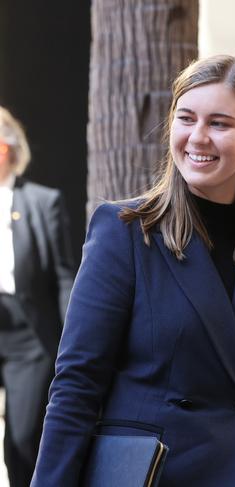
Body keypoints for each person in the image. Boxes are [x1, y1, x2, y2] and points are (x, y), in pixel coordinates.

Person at [31, 55, 235, 487]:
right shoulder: (125, 231)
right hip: (152, 474)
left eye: (220, 123)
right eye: (186, 119)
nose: (197, 138)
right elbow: (77, 384)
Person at [0, 106, 75, 487]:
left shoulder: (43, 202)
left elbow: (64, 275)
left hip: (29, 338)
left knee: (22, 436)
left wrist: (70, 340)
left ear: (2, 149)